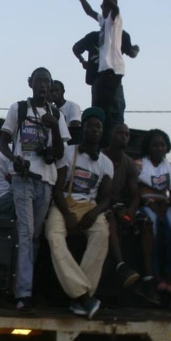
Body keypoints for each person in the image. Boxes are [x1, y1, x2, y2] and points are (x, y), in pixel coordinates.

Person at [0, 67, 70, 312]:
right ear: (30, 83)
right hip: (23, 178)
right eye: (39, 80)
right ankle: (23, 295)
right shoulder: (18, 109)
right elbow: (3, 143)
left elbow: (60, 154)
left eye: (47, 82)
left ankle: (27, 286)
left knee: (35, 236)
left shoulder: (56, 114)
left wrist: (55, 128)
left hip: (46, 181)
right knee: (27, 233)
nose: (43, 85)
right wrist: (13, 159)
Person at [44, 107, 113, 319]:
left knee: (102, 234)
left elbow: (106, 198)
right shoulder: (68, 151)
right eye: (91, 126)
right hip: (65, 203)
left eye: (99, 127)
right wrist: (67, 216)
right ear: (83, 128)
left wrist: (94, 214)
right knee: (53, 235)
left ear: (102, 132)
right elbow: (57, 190)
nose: (95, 130)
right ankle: (84, 297)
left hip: (89, 207)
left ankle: (80, 297)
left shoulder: (106, 163)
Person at [67, 0, 127, 146]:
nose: (102, 9)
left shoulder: (114, 21)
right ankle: (99, 144)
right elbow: (88, 11)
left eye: (104, 6)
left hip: (112, 71)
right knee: (99, 111)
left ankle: (111, 143)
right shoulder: (103, 22)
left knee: (110, 113)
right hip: (102, 74)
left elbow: (115, 8)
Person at [135, 129, 171, 304]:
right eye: (155, 145)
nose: (159, 148)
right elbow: (135, 190)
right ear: (148, 148)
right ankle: (155, 275)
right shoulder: (139, 165)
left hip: (165, 205)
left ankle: (169, 276)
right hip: (145, 204)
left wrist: (166, 205)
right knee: (152, 226)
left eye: (162, 145)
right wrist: (149, 204)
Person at [101, 123, 141, 288]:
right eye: (120, 133)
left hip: (117, 205)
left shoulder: (129, 163)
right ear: (111, 136)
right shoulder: (100, 157)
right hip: (99, 203)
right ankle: (121, 265)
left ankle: (149, 278)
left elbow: (135, 195)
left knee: (143, 223)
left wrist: (131, 210)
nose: (124, 136)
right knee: (110, 219)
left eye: (127, 134)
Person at [72, 29, 139, 122]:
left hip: (99, 81)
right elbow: (132, 53)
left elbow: (76, 48)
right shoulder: (121, 35)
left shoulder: (94, 36)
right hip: (112, 82)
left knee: (99, 114)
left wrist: (83, 61)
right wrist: (136, 49)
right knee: (115, 116)